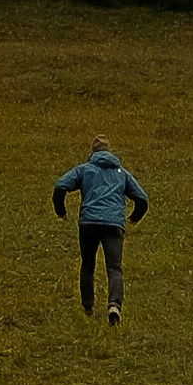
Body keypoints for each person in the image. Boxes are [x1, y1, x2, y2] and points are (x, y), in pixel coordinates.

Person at [52, 136, 148, 326]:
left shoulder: (84, 170)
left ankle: (88, 307)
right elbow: (142, 198)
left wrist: (61, 210)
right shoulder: (122, 173)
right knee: (114, 268)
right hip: (113, 225)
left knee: (87, 265)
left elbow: (60, 186)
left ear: (93, 152)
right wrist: (134, 217)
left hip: (89, 224)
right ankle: (114, 305)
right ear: (109, 152)